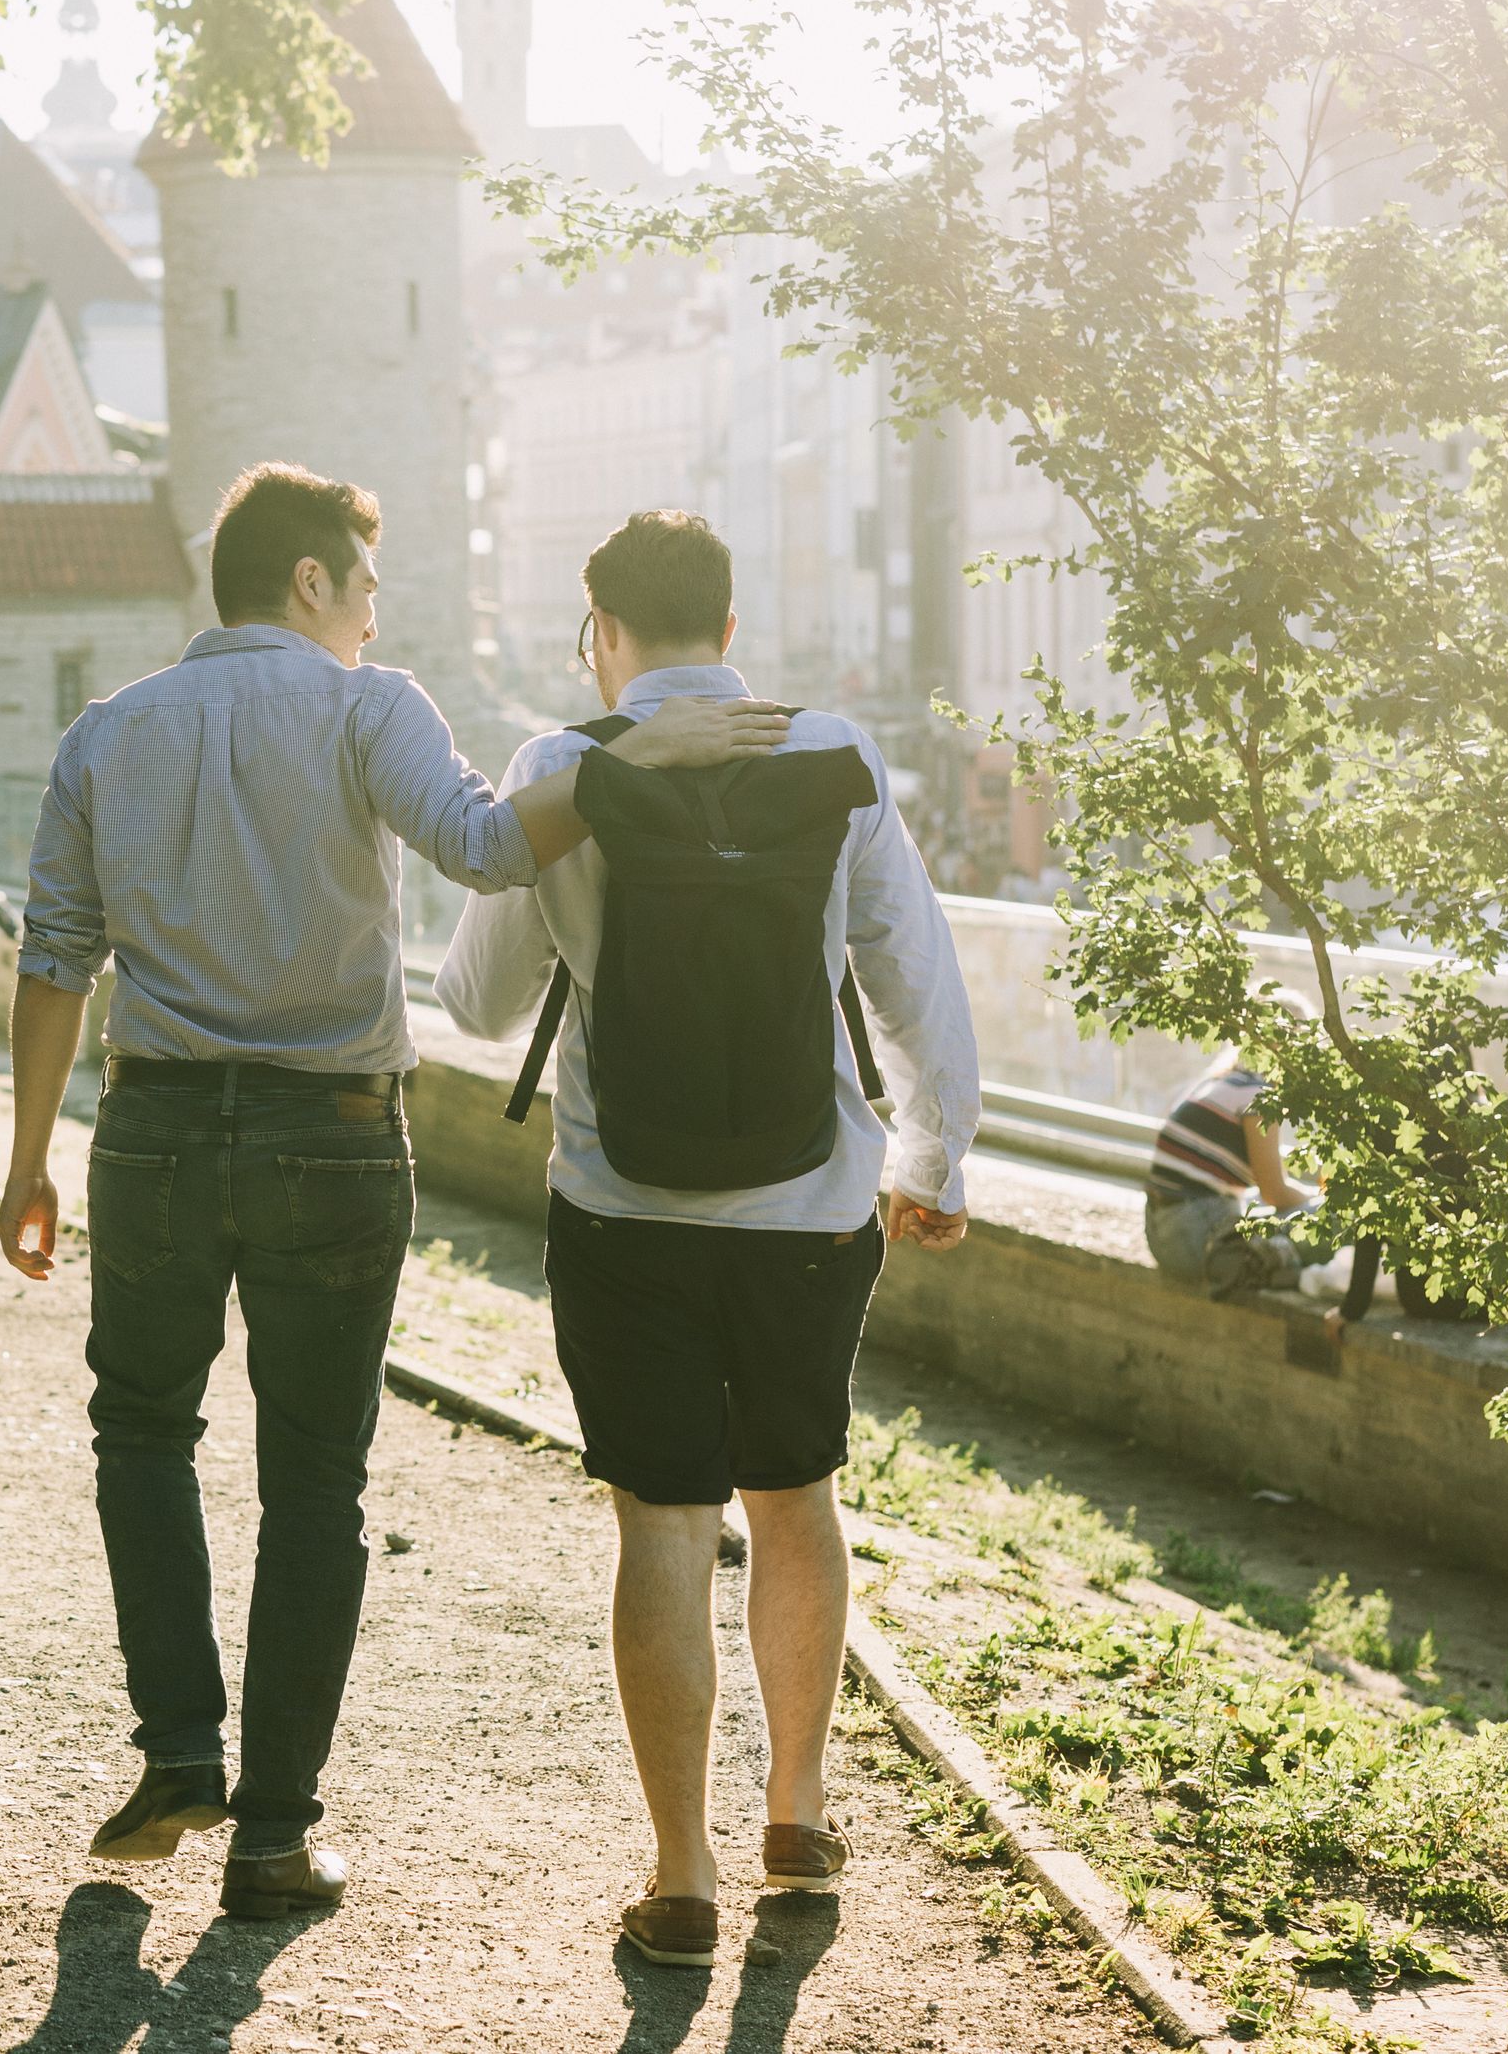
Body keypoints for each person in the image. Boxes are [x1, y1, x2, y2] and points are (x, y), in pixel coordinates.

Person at [1, 462, 787, 1921]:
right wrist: (637, 753)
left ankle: (179, 1749)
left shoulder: (106, 731)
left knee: (142, 1430)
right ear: (311, 580)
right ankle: (272, 1837)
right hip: (332, 1132)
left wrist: (28, 1156)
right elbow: (490, 848)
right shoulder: (372, 708)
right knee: (315, 1475)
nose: (375, 612)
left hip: (153, 1127)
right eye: (365, 584)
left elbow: (55, 956)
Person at [435, 509, 978, 1970]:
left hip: (625, 1211)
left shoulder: (564, 765)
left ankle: (681, 1875)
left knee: (665, 1520)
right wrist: (933, 1155)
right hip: (811, 1205)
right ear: (730, 630)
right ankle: (796, 1813)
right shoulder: (833, 752)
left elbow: (475, 1001)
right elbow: (915, 975)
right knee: (795, 1496)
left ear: (601, 634)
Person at [1145, 997, 1320, 1296]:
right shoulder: (1258, 1095)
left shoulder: (1221, 1082)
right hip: (1195, 1237)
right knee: (1319, 1220)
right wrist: (1317, 1200)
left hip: (1161, 1233)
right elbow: (1275, 1192)